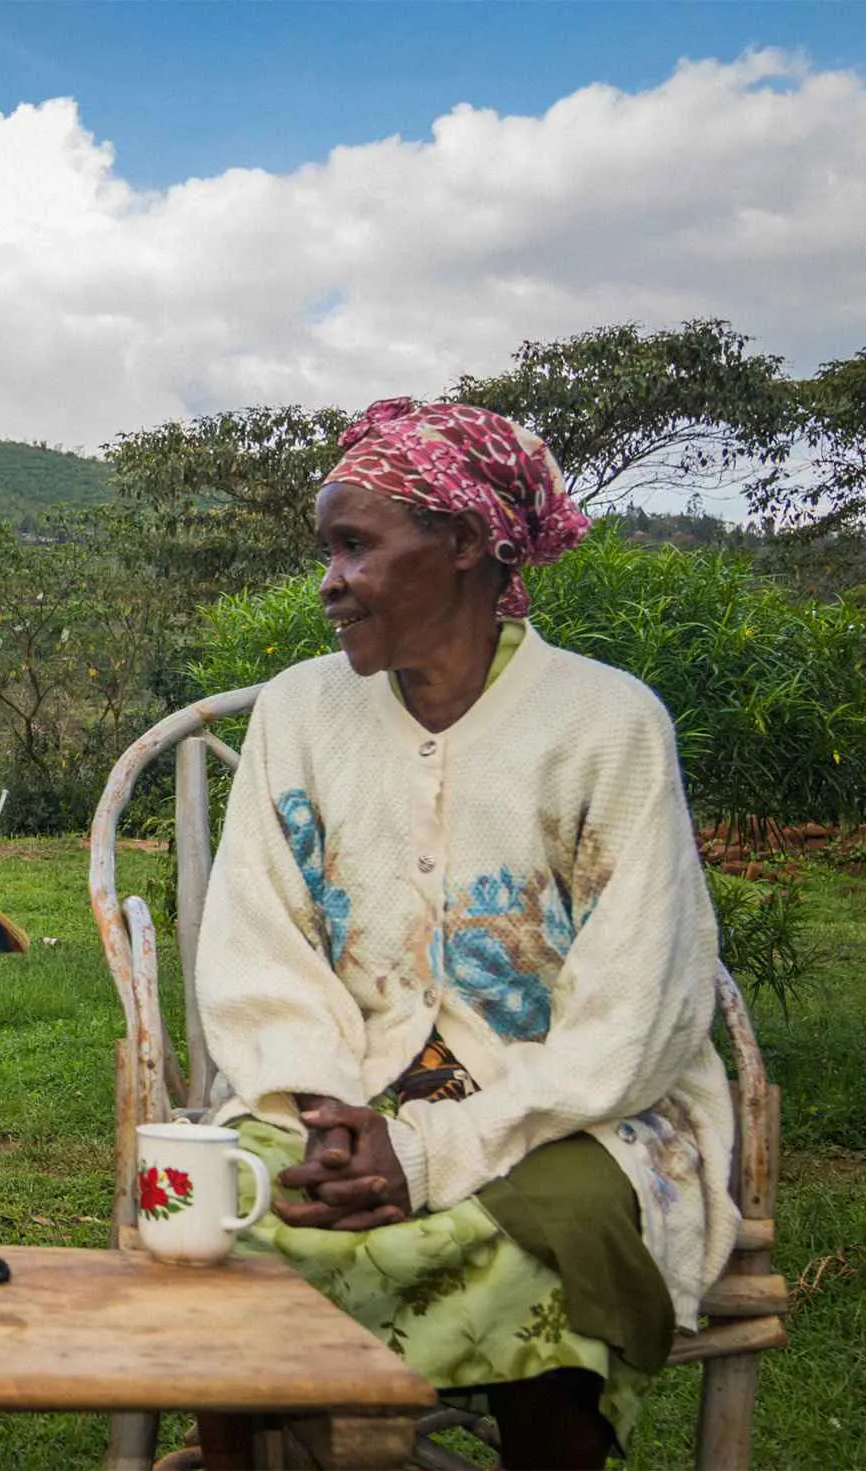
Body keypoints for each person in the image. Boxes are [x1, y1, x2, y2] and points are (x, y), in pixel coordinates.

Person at [191, 399, 738, 1468]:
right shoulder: (298, 714)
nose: (329, 580)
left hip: (574, 1106)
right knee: (229, 1209)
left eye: (356, 546)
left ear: (468, 543)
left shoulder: (605, 722)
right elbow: (260, 939)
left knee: (543, 1238)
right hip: (339, 1083)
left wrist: (430, 1146)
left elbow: (639, 1000)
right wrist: (328, 1108)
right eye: (327, 549)